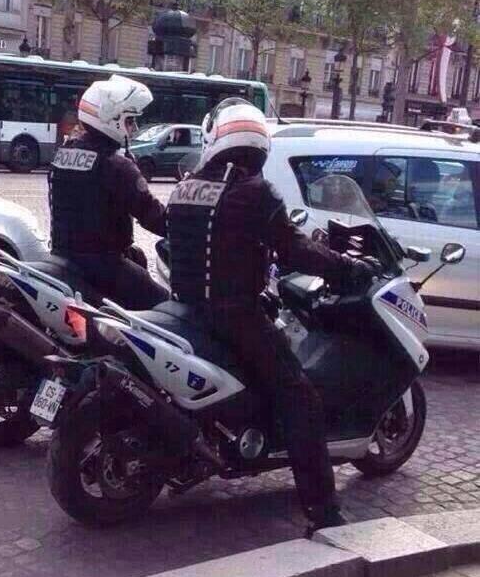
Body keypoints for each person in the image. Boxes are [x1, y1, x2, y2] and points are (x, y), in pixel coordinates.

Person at [166, 98, 378, 533]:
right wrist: (347, 267)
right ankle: (323, 510)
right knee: (299, 396)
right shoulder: (254, 191)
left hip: (183, 306)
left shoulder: (186, 187)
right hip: (234, 314)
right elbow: (294, 250)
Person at [49, 74, 168, 309]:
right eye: (130, 121)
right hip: (102, 264)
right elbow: (152, 215)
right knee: (163, 307)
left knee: (137, 257)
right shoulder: (116, 166)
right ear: (111, 119)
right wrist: (183, 226)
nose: (133, 129)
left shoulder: (64, 153)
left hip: (63, 254)